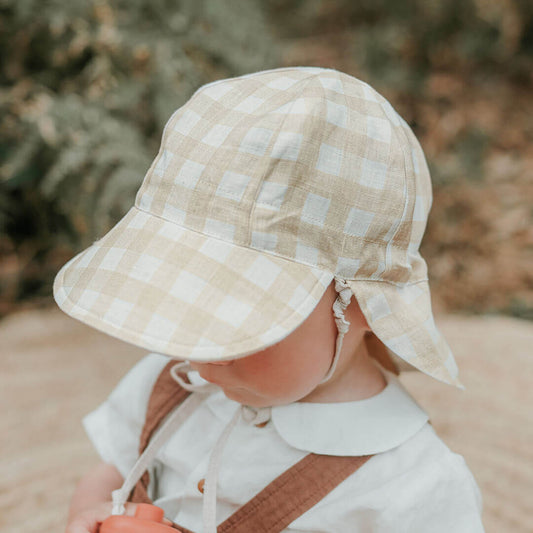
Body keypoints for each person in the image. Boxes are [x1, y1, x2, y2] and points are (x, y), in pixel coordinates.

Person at [55, 67, 484, 532]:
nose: (200, 359)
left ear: (362, 301)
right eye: (184, 308)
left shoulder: (411, 489)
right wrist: (91, 513)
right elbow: (113, 472)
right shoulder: (170, 385)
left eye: (237, 324)